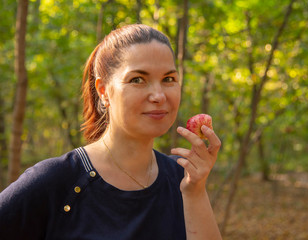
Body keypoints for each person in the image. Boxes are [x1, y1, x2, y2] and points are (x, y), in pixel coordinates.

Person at [0, 24, 222, 240]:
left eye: (168, 79)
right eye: (137, 80)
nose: (159, 95)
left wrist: (195, 191)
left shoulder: (182, 176)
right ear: (104, 91)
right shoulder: (56, 180)